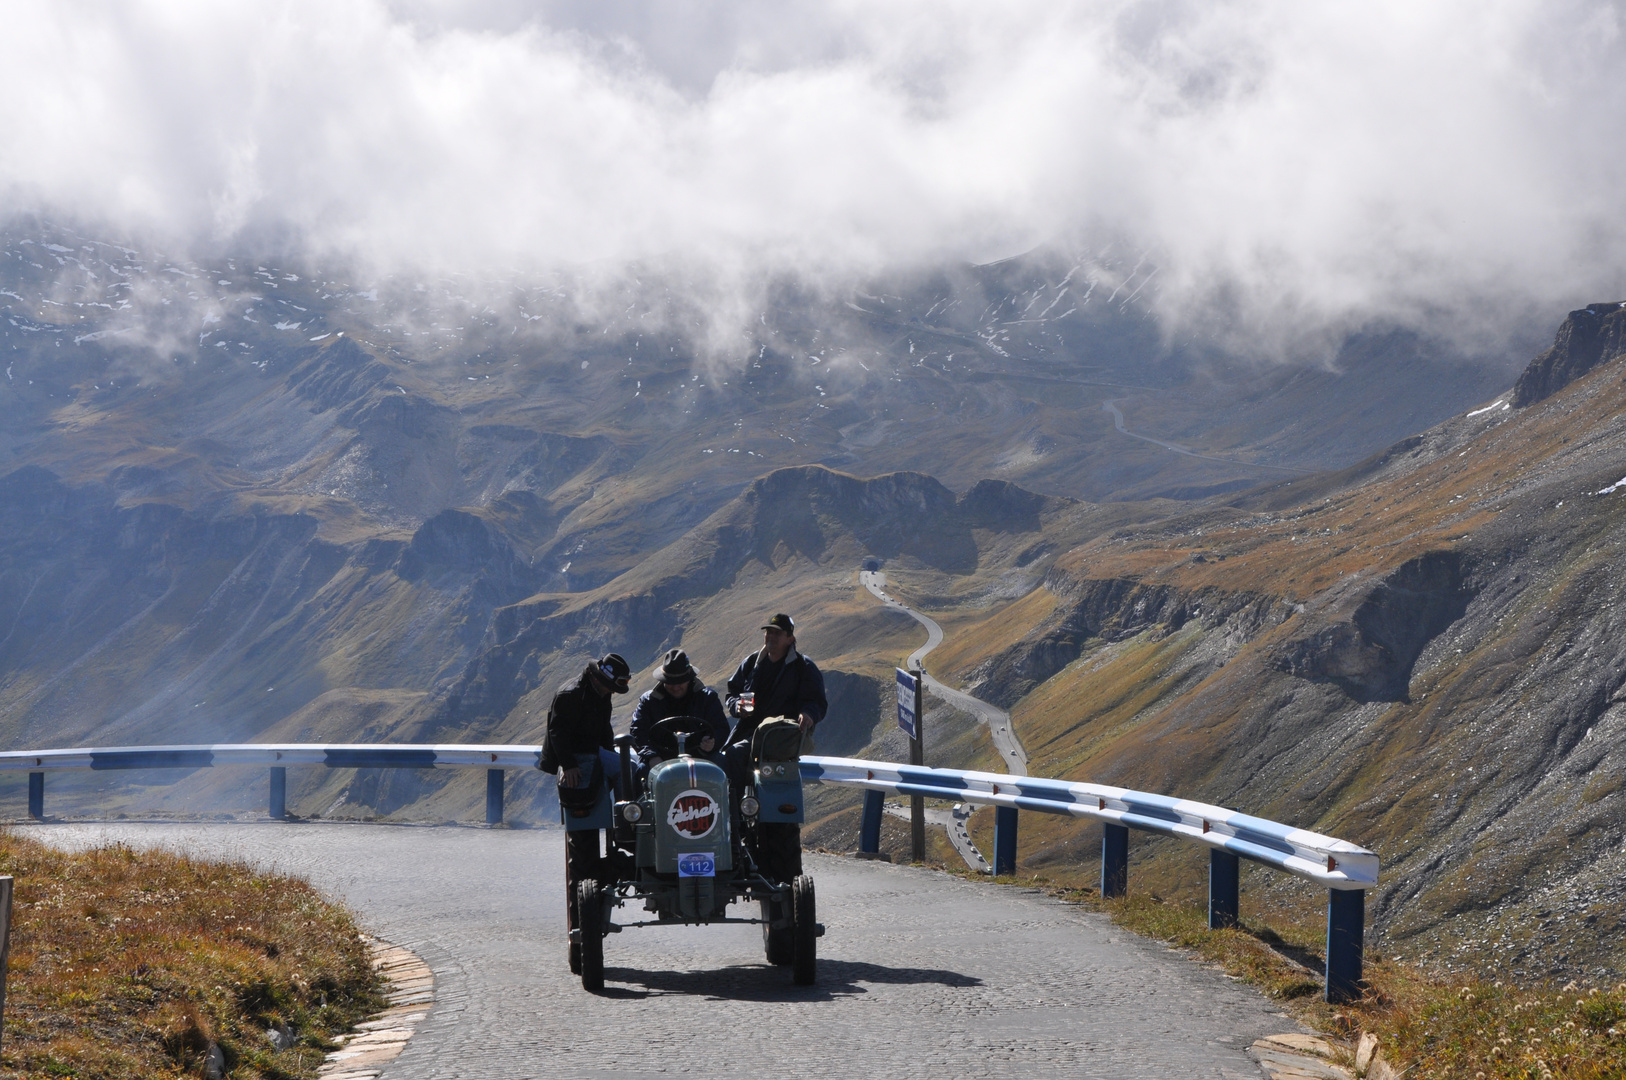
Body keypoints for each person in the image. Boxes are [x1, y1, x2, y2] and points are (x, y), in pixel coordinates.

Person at [722, 614, 827, 882]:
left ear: (790, 638)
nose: (770, 637)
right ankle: (730, 825)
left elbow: (817, 701)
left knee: (779, 794)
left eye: (777, 633)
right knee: (726, 760)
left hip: (779, 742)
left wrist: (808, 714)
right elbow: (732, 693)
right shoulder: (751, 663)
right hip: (749, 735)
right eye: (768, 632)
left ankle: (778, 865)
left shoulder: (804, 668)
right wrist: (737, 707)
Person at [540, 651, 632, 795]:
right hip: (576, 754)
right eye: (611, 687)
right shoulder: (571, 695)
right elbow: (558, 733)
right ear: (598, 679)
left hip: (592, 750)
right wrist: (569, 765)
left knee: (629, 766)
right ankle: (626, 814)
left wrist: (610, 752)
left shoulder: (602, 692)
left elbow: (604, 727)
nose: (613, 692)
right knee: (627, 771)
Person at [630, 648, 729, 765]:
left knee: (722, 764)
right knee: (642, 770)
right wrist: (652, 756)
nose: (675, 687)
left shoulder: (707, 698)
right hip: (660, 759)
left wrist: (712, 742)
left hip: (702, 757)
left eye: (680, 682)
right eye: (671, 682)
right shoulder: (648, 700)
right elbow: (638, 732)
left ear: (689, 679)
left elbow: (721, 727)